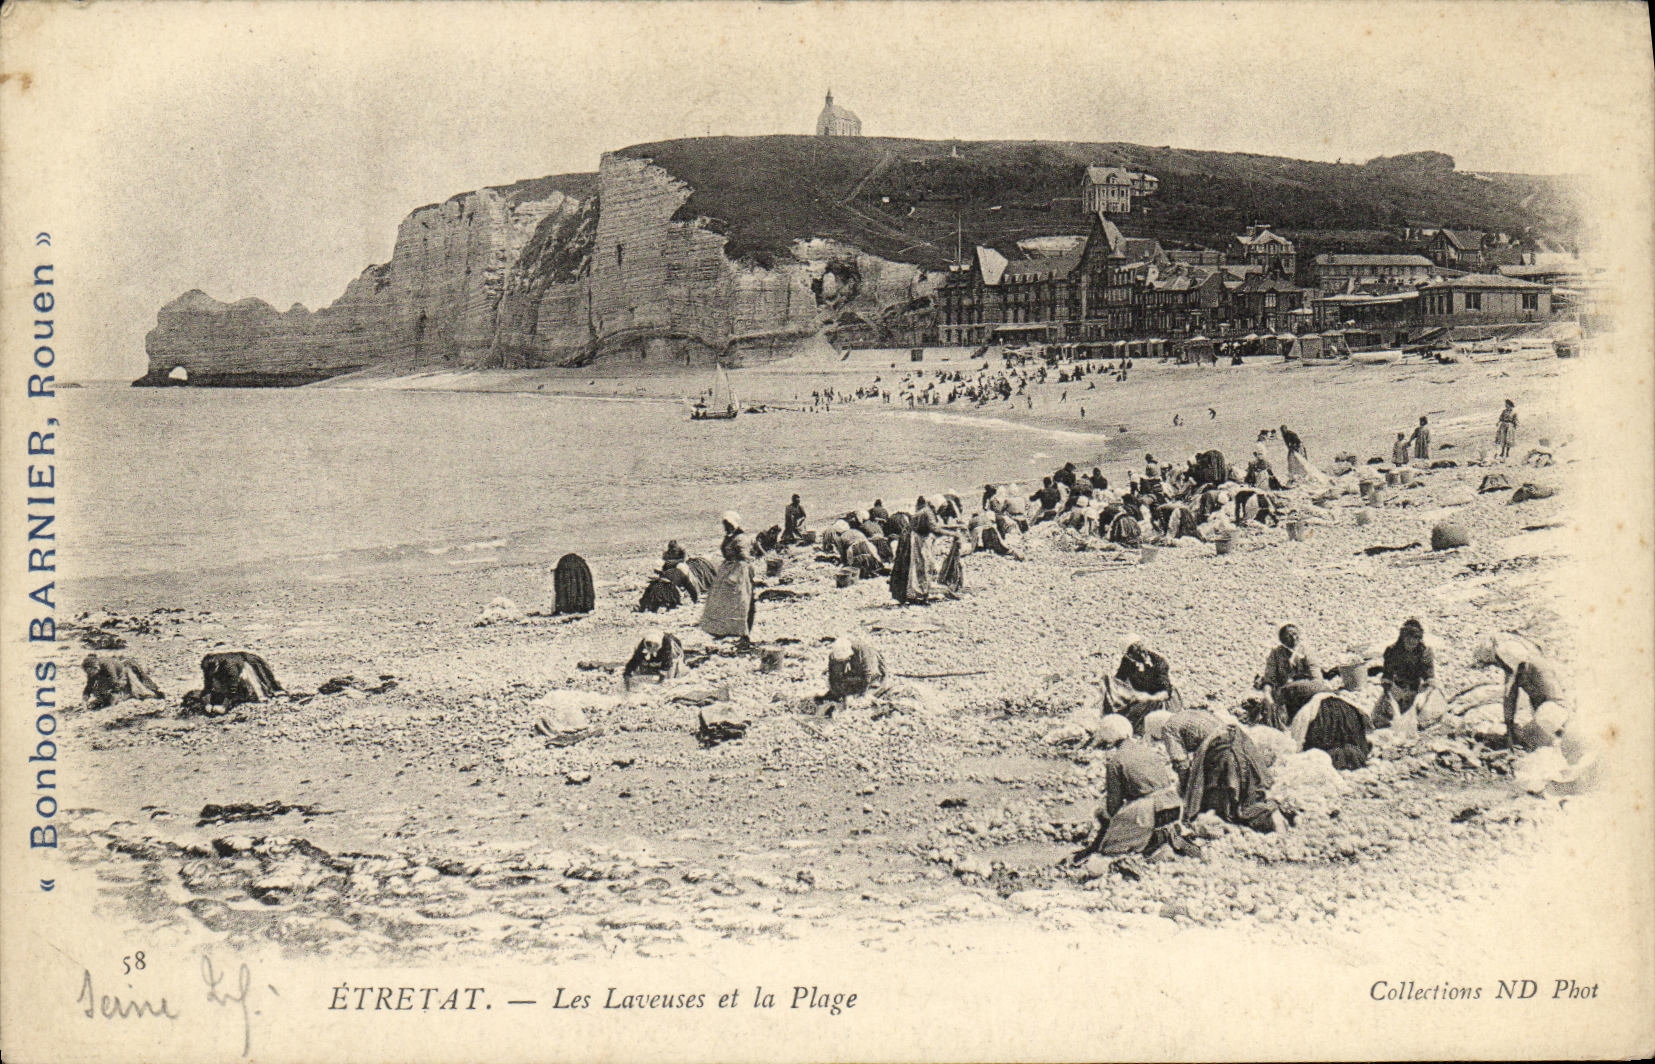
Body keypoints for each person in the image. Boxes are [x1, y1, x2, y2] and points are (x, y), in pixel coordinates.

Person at [1071, 715, 1192, 871]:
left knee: (1110, 848)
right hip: (1173, 805)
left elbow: (1113, 806)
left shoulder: (1116, 761)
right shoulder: (1148, 751)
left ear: (1109, 738)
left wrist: (1103, 832)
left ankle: (1152, 845)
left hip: (1150, 809)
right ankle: (1162, 839)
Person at [1171, 719, 1288, 833]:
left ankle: (1233, 808)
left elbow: (1182, 763)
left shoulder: (1169, 729)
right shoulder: (1200, 717)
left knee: (1232, 793)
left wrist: (1186, 788)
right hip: (1234, 744)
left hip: (1222, 750)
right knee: (1239, 783)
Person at [1473, 633, 1567, 752]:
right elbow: (1510, 699)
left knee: (1542, 733)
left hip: (1554, 713)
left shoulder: (1525, 668)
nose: (1499, 666)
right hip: (1550, 711)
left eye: (1498, 662)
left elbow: (1510, 699)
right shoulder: (1527, 667)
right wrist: (1510, 729)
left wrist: (1510, 731)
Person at [1100, 637, 1184, 731]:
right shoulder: (1129, 661)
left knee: (1138, 716)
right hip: (1139, 696)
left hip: (1160, 700)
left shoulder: (1159, 663)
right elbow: (1120, 679)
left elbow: (1165, 692)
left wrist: (1146, 697)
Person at [1257, 624, 1332, 728]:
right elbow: (1269, 678)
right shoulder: (1276, 654)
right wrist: (1267, 695)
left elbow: (1317, 677)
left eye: (1295, 634)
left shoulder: (1306, 651)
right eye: (1288, 636)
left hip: (1306, 692)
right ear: (1281, 639)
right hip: (1285, 695)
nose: (1293, 638)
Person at [1374, 618, 1435, 727]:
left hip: (1416, 689)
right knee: (1382, 715)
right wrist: (1389, 689)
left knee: (1424, 711)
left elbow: (1429, 676)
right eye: (1408, 638)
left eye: (1415, 638)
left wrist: (1426, 687)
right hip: (1398, 688)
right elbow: (1387, 675)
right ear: (1403, 637)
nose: (1412, 641)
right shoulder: (1392, 651)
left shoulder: (1425, 653)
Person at [1289, 692, 1371, 769]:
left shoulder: (1310, 708)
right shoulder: (1349, 707)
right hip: (1346, 717)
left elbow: (1298, 739)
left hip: (1326, 749)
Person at [700, 532, 756, 642]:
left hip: (738, 571)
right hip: (727, 570)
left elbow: (745, 556)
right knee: (723, 602)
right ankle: (723, 631)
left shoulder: (741, 538)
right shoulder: (729, 537)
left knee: (741, 602)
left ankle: (742, 632)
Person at [820, 634, 887, 706]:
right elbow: (833, 679)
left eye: (845, 660)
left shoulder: (864, 652)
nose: (843, 662)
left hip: (874, 675)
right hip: (855, 676)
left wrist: (860, 695)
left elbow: (869, 675)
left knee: (869, 694)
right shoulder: (833, 656)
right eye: (840, 661)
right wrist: (844, 694)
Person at [888, 513, 933, 605]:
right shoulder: (909, 534)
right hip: (908, 556)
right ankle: (914, 595)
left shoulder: (911, 533)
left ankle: (913, 595)